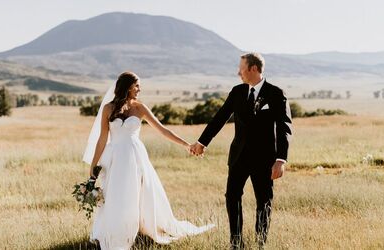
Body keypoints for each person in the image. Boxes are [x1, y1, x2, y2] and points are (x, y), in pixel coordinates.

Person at [83, 72, 214, 250]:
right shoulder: (108, 108)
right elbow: (102, 139)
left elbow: (163, 130)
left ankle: (138, 231)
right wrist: (93, 165)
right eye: (137, 85)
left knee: (137, 193)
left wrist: (186, 145)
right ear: (127, 86)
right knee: (115, 195)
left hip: (135, 157)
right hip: (114, 158)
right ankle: (115, 232)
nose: (140, 89)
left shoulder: (140, 108)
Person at [190, 53, 292, 249]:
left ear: (253, 69)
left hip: (265, 159)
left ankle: (261, 243)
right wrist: (202, 142)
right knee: (232, 196)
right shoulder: (237, 92)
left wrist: (281, 159)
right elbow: (220, 118)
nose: (239, 72)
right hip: (238, 157)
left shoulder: (276, 94)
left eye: (241, 68)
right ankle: (236, 242)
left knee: (264, 201)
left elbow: (284, 128)